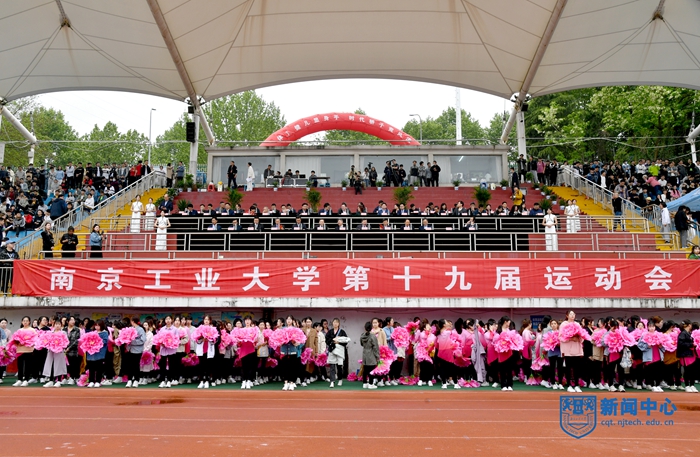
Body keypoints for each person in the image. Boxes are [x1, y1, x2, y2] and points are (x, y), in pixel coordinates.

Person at [42, 319, 68, 387]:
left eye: (59, 324)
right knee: (50, 364)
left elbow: (66, 342)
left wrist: (61, 346)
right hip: (51, 351)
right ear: (54, 325)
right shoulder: (50, 333)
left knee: (58, 365)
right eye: (56, 324)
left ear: (61, 325)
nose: (57, 326)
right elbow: (46, 341)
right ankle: (51, 380)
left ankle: (58, 381)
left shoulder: (63, 333)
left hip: (59, 351)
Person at [326, 318, 350, 388]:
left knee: (339, 366)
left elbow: (346, 340)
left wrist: (339, 341)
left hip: (340, 350)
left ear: (339, 324)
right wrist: (333, 340)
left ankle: (340, 379)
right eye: (334, 322)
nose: (335, 324)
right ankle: (332, 381)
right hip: (332, 350)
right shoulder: (330, 332)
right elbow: (327, 340)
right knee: (332, 366)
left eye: (336, 322)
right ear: (332, 323)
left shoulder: (342, 332)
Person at [86, 320, 109, 388]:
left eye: (98, 325)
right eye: (96, 325)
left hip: (100, 353)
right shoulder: (92, 332)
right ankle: (91, 381)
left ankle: (98, 381)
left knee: (99, 368)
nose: (97, 327)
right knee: (91, 368)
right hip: (91, 353)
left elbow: (105, 341)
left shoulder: (104, 332)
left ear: (101, 326)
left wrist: (97, 341)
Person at [360, 321, 379, 389]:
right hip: (371, 354)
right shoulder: (373, 336)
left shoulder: (362, 335)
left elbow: (361, 344)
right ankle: (371, 383)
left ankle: (364, 383)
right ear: (371, 328)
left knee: (365, 369)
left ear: (365, 328)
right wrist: (377, 356)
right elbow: (375, 347)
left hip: (365, 353)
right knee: (371, 369)